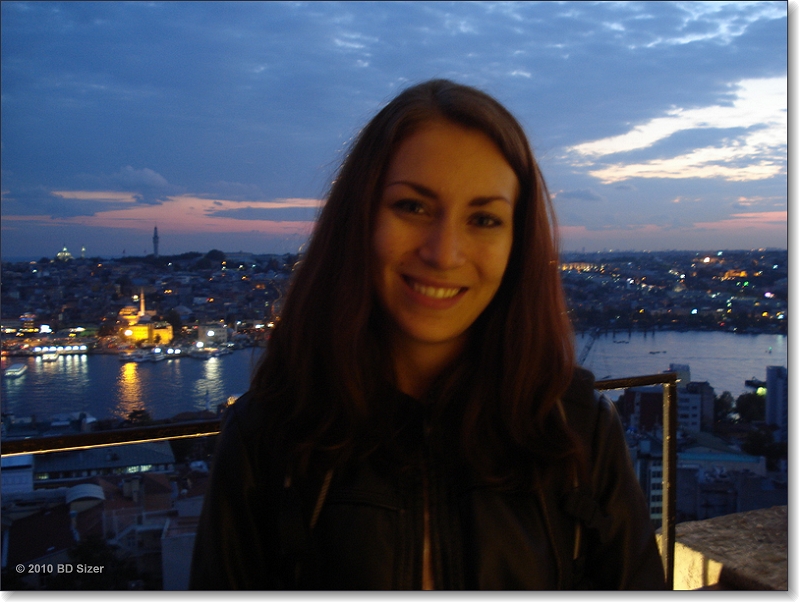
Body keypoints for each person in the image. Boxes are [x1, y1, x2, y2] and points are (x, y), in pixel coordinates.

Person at [189, 79, 666, 590]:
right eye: (413, 207)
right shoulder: (268, 439)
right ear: (360, 219)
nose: (444, 253)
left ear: (517, 245)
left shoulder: (578, 431)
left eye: (483, 218)